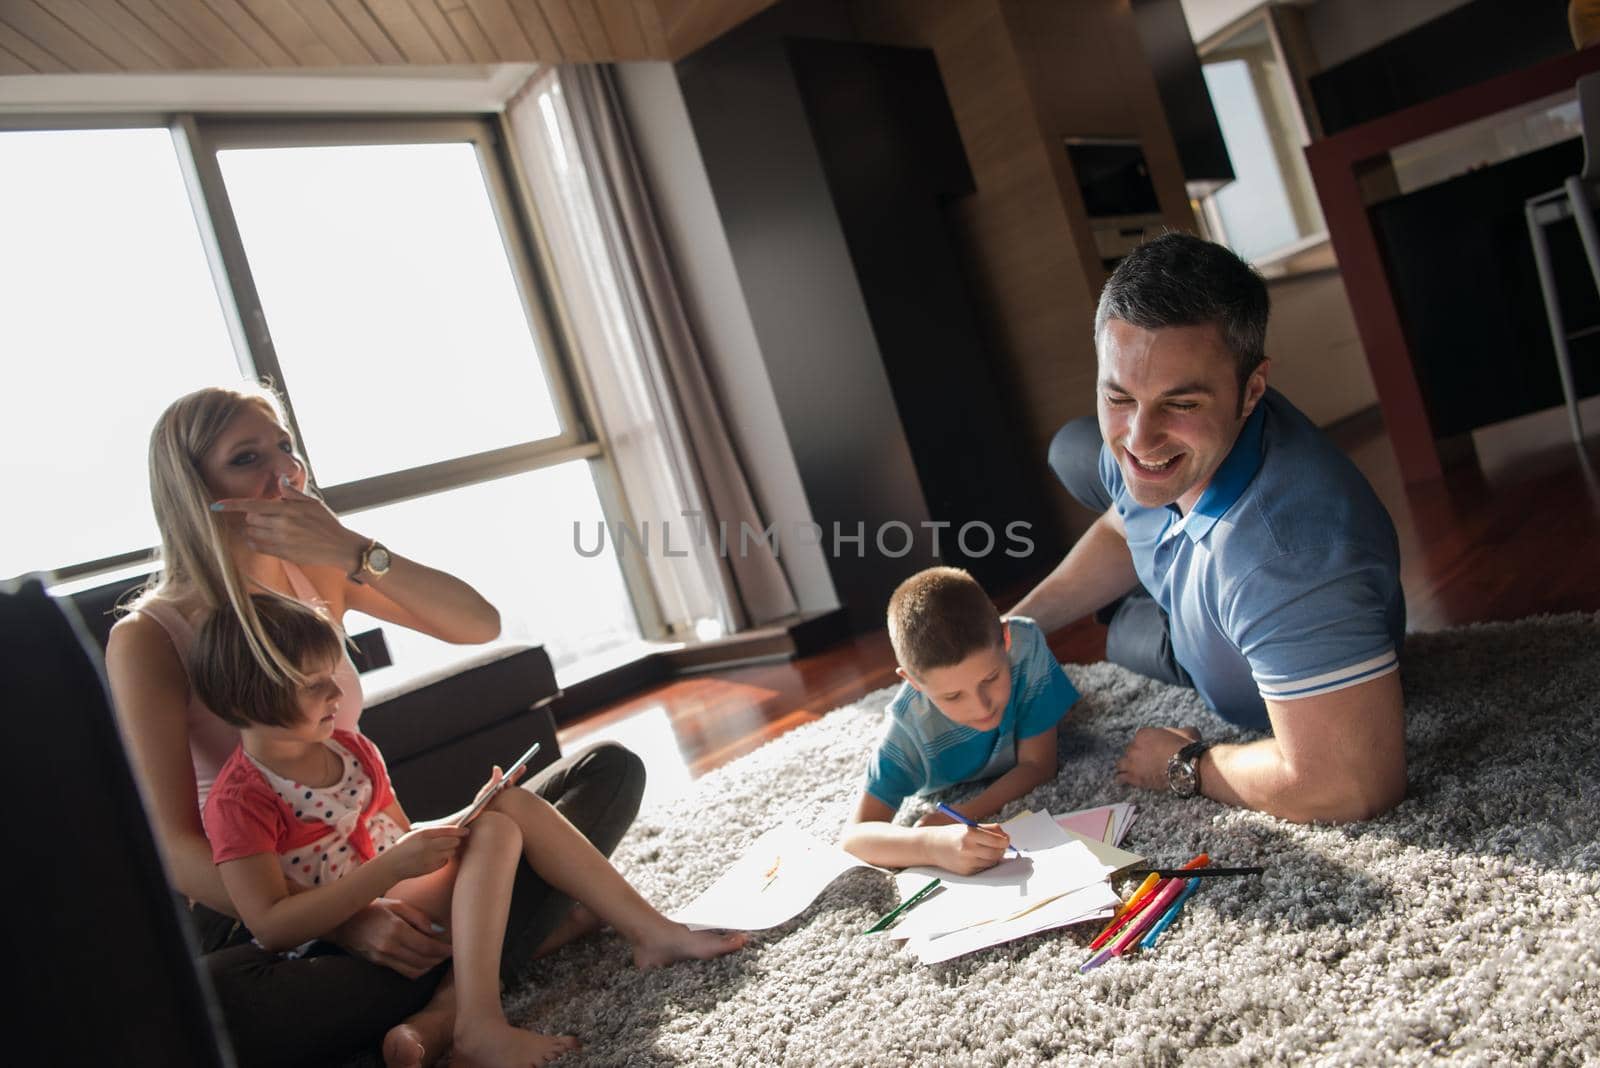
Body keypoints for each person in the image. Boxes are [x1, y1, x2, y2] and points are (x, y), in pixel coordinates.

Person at [103, 383, 649, 1068]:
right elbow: (174, 843)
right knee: (221, 1000)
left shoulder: (317, 572)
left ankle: (449, 1008)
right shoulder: (150, 637)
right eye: (246, 458)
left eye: (285, 449)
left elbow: (478, 623)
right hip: (263, 904)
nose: (283, 474)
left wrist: (355, 547)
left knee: (607, 770)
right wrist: (348, 918)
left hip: (372, 860)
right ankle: (519, 936)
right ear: (193, 486)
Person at [192, 595, 744, 1068]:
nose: (336, 697)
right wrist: (393, 868)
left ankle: (644, 932)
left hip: (399, 893)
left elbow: (399, 834)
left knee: (506, 811)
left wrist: (462, 818)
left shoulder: (351, 749)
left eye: (333, 676)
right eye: (314, 686)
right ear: (249, 700)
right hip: (342, 939)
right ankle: (481, 1019)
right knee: (502, 834)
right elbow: (271, 926)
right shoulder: (242, 799)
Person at [1011, 233, 1407, 824]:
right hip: (1197, 579)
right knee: (1074, 448)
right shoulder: (1152, 448)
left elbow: (1352, 785)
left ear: (1252, 391)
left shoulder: (1288, 554)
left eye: (1182, 404)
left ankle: (1143, 598)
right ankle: (1160, 548)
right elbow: (1122, 528)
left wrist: (1189, 764)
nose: (1140, 439)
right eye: (1118, 395)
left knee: (1119, 636)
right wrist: (1016, 628)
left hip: (1222, 638)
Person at [841, 567, 1080, 873]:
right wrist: (931, 844)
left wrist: (963, 812)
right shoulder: (908, 729)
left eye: (991, 677)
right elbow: (853, 837)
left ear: (1006, 638)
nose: (981, 706)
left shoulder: (1026, 645)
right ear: (914, 683)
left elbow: (1038, 765)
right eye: (953, 697)